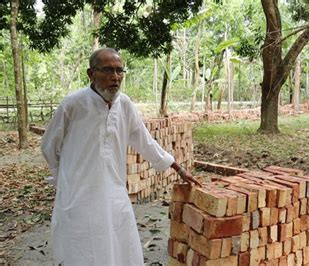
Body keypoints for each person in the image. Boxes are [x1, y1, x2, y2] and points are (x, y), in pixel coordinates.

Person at [41, 47, 201, 265]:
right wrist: (63, 177)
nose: (115, 77)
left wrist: (176, 166)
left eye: (119, 71)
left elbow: (144, 140)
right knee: (81, 247)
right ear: (91, 73)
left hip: (114, 190)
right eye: (107, 70)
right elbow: (49, 145)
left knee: (118, 243)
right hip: (77, 193)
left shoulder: (124, 104)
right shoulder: (73, 104)